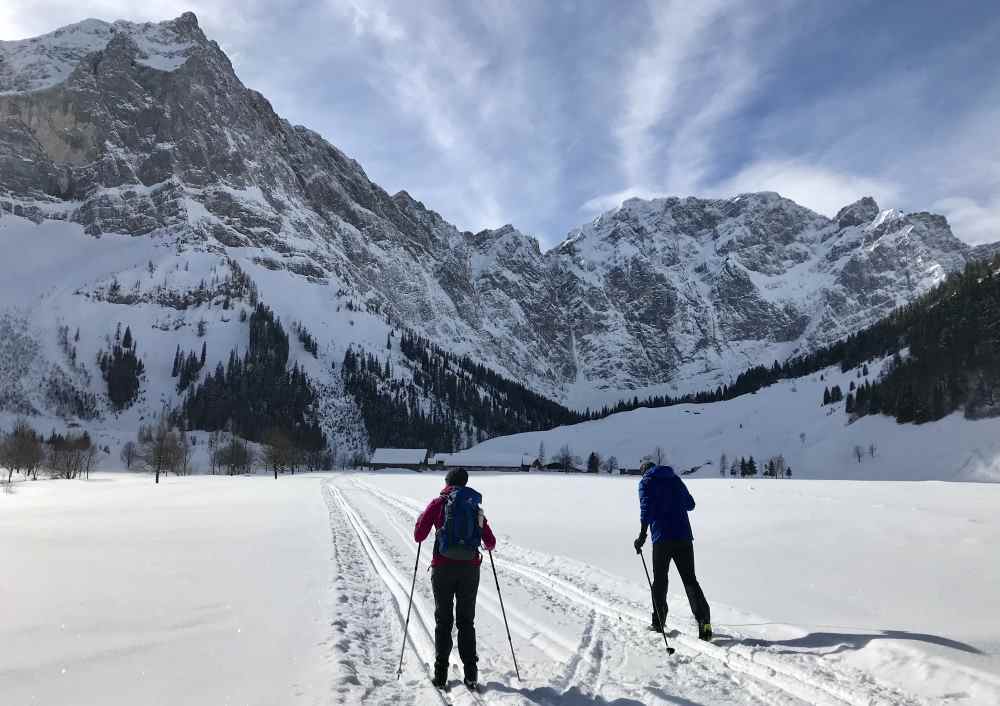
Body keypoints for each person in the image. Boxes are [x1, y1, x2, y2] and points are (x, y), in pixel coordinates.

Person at [414, 468, 496, 690]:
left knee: (444, 620)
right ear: (465, 483)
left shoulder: (438, 503)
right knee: (466, 621)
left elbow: (419, 535)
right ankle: (471, 674)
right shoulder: (473, 506)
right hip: (470, 569)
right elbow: (490, 542)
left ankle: (440, 675)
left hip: (443, 567)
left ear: (447, 482)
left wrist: (424, 519)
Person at [633, 460, 712, 641]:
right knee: (690, 580)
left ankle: (659, 621)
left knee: (660, 580)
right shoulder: (674, 479)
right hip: (684, 536)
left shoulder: (646, 482)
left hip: (662, 538)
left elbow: (646, 510)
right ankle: (705, 624)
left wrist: (642, 535)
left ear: (644, 471)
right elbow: (690, 504)